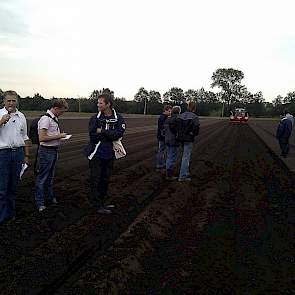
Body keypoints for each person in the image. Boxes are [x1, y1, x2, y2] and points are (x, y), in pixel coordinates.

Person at [86, 90, 125, 214]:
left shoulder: (118, 118)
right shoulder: (95, 118)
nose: (98, 105)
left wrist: (102, 132)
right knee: (95, 179)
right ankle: (96, 205)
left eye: (100, 103)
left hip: (110, 154)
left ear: (108, 104)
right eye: (98, 103)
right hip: (96, 154)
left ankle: (102, 202)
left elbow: (119, 134)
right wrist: (109, 135)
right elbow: (93, 136)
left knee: (105, 179)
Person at [0, 90, 30, 224]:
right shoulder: (0, 115)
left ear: (17, 101)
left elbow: (24, 137)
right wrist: (1, 121)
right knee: (2, 188)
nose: (11, 103)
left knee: (13, 187)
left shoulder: (21, 116)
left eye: (13, 100)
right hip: (3, 154)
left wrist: (26, 155)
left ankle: (11, 215)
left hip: (17, 153)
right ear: (4, 102)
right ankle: (2, 216)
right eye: (9, 101)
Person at [34, 98, 69, 212]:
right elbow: (42, 138)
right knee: (42, 178)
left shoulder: (54, 119)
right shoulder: (45, 119)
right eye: (62, 111)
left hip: (53, 150)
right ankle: (40, 203)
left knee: (50, 177)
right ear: (56, 108)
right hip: (46, 152)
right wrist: (59, 136)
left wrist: (59, 136)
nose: (62, 114)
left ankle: (49, 198)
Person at [176, 101, 200, 182]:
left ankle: (184, 172)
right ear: (194, 108)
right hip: (188, 139)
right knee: (186, 157)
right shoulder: (194, 117)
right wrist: (193, 134)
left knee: (183, 156)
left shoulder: (180, 115)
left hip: (180, 138)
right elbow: (196, 128)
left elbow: (177, 127)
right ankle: (182, 176)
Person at [164, 106, 181, 181]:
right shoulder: (177, 120)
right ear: (179, 112)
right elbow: (176, 131)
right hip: (173, 140)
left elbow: (164, 130)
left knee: (169, 156)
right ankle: (169, 175)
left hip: (167, 139)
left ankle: (168, 171)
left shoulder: (167, 119)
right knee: (172, 157)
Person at [156, 105, 172, 170]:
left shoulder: (164, 117)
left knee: (162, 150)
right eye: (169, 111)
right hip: (162, 137)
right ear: (165, 110)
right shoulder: (163, 118)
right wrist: (165, 136)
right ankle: (160, 164)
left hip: (162, 136)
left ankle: (161, 163)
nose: (170, 112)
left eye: (170, 111)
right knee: (161, 151)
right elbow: (162, 128)